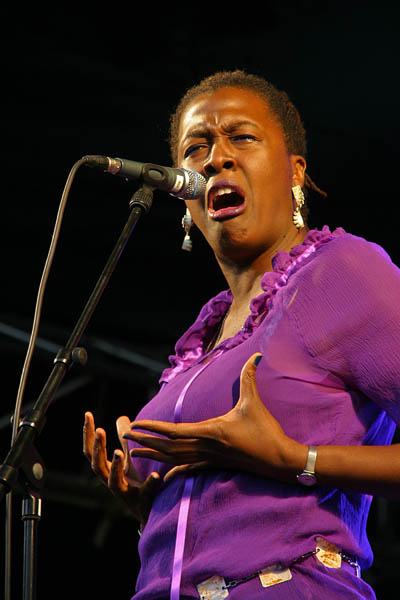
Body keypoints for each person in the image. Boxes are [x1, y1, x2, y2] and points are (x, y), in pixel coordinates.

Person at [83, 71, 400, 599]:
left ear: (294, 170)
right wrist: (159, 504)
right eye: (196, 148)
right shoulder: (205, 332)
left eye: (242, 137)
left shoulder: (341, 272)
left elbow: (272, 462)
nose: (215, 159)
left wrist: (295, 458)